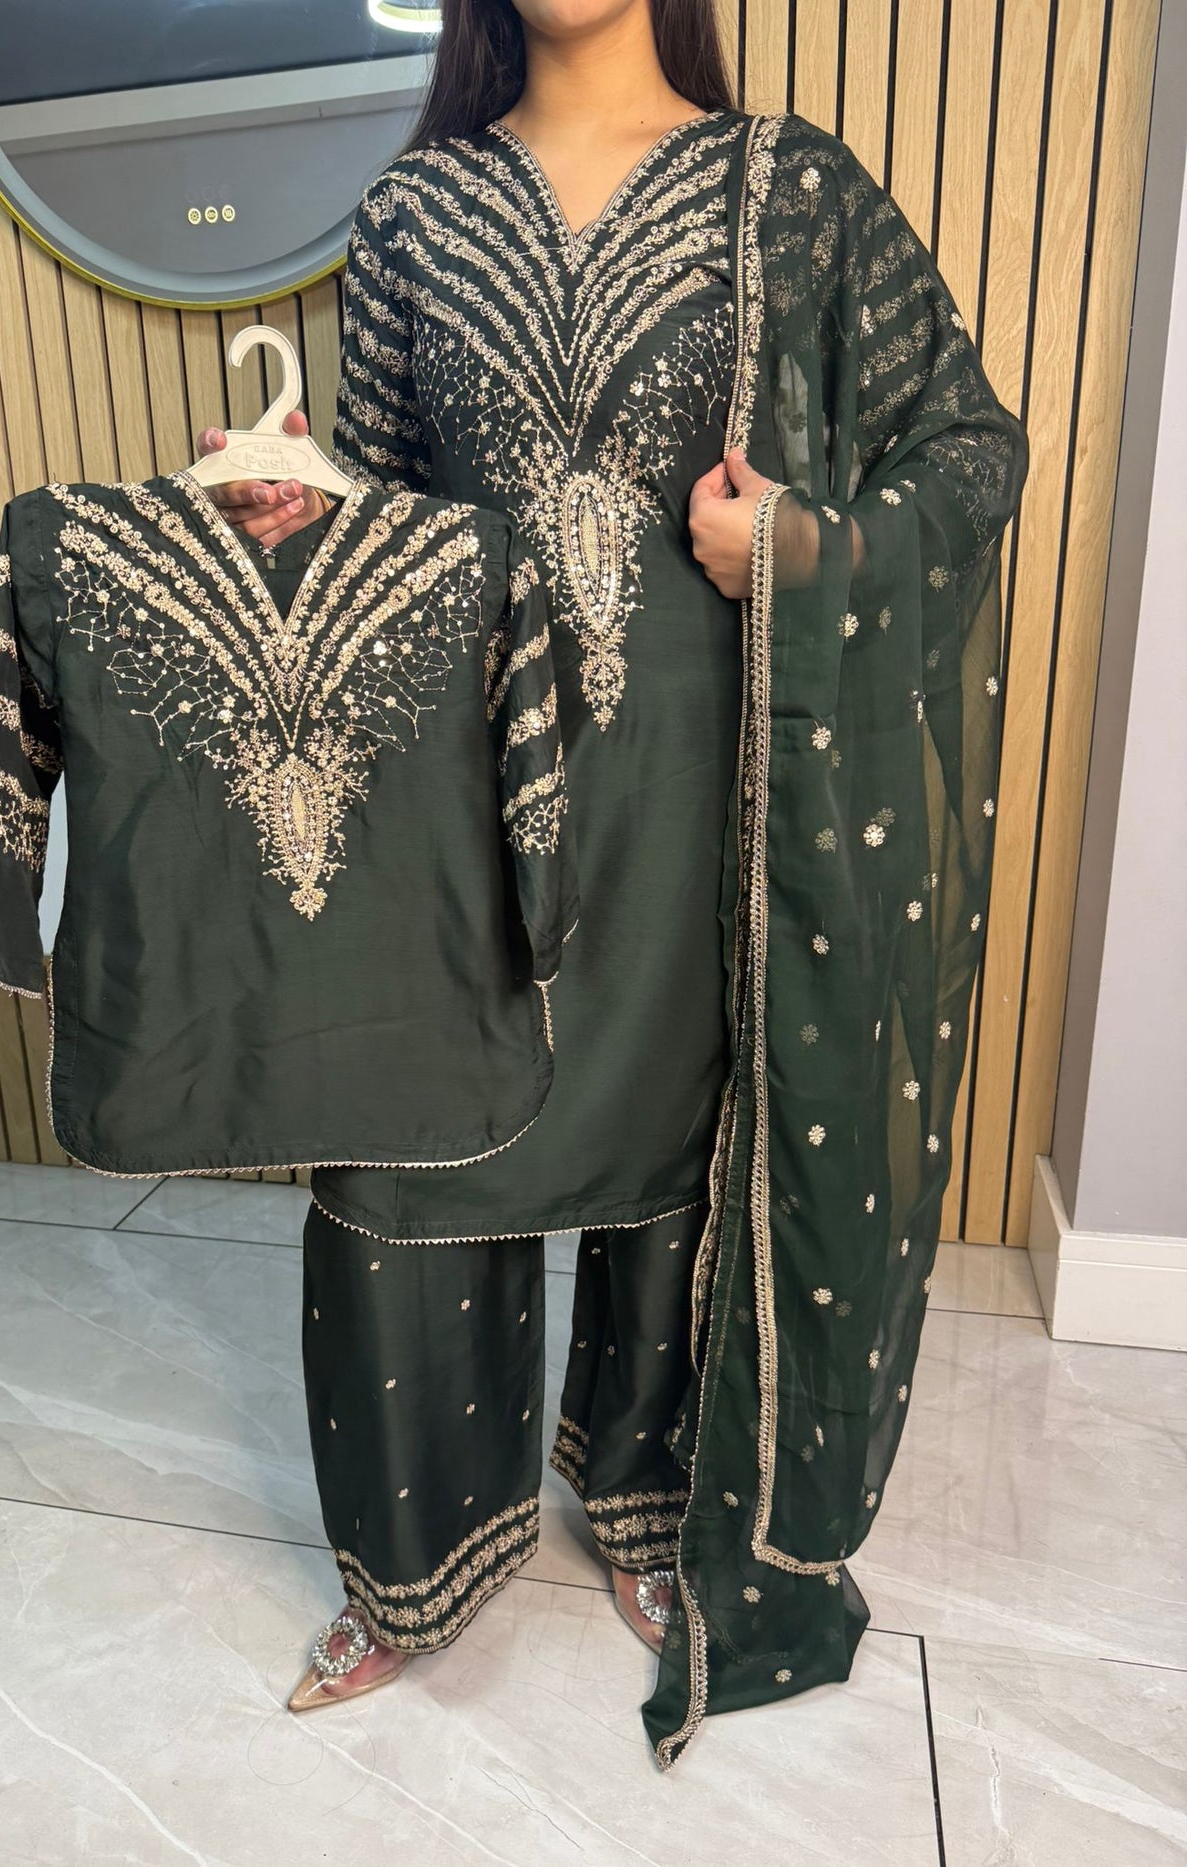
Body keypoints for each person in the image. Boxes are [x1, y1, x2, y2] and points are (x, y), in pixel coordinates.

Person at [198, 0, 1028, 1771]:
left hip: (698, 802)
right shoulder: (415, 214)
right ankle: (409, 1567)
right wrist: (299, 526)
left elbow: (971, 451)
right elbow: (392, 530)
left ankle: (655, 1507)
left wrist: (795, 541)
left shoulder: (784, 193)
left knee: (676, 1154)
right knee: (411, 1150)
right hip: (461, 798)